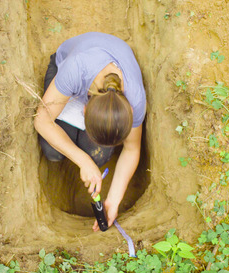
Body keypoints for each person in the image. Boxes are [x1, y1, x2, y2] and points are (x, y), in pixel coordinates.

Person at [34, 32, 146, 231]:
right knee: (53, 152)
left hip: (96, 85)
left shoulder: (135, 101)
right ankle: (75, 153)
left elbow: (131, 150)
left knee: (98, 154)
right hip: (70, 71)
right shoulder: (75, 69)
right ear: (84, 110)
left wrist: (113, 201)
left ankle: (83, 152)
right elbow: (42, 120)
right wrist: (82, 160)